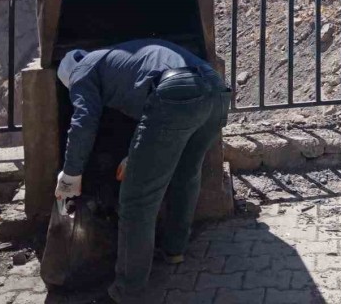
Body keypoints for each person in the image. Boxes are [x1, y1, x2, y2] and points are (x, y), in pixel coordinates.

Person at [55, 39, 231, 304]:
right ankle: (174, 249)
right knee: (186, 173)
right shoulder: (118, 58)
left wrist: (70, 175)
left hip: (176, 93)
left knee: (137, 200)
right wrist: (134, 154)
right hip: (216, 90)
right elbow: (151, 110)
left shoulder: (81, 71)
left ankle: (127, 292)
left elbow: (83, 122)